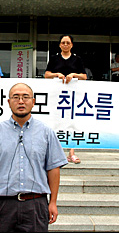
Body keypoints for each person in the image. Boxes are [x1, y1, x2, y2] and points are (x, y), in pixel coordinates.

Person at [0, 83, 68, 232]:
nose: (21, 101)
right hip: (3, 206)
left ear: (34, 101)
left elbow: (53, 169)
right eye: (16, 97)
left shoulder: (46, 133)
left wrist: (53, 202)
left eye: (25, 97)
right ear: (9, 102)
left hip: (35, 205)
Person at [44, 34, 87, 164]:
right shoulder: (54, 58)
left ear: (72, 45)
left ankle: (71, 153)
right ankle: (57, 152)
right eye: (63, 42)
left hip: (73, 97)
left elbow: (84, 76)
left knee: (72, 122)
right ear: (59, 45)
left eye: (68, 43)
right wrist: (56, 74)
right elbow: (46, 74)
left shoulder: (77, 59)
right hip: (56, 96)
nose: (65, 45)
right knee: (56, 121)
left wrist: (74, 75)